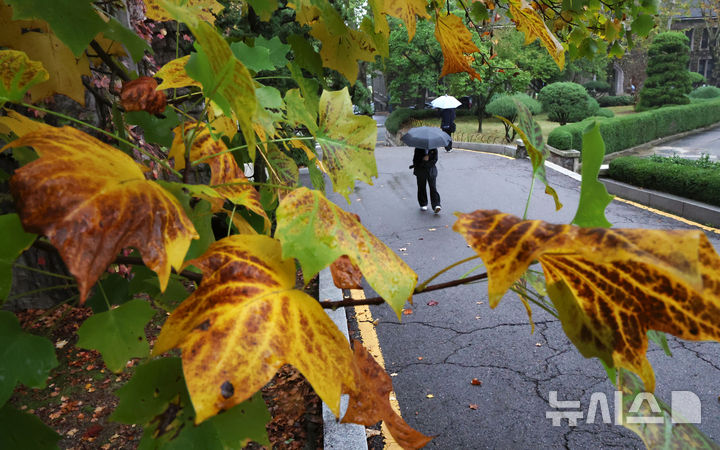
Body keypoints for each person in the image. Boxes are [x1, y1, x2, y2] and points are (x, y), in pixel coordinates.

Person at [411, 147, 441, 213]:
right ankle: (423, 203)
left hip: (431, 171)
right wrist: (423, 160)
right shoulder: (418, 149)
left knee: (433, 187)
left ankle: (436, 205)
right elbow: (415, 160)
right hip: (420, 171)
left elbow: (435, 159)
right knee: (421, 187)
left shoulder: (434, 148)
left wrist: (428, 161)